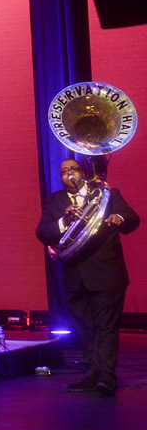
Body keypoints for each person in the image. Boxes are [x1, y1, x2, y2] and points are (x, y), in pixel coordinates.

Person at [36, 158, 139, 397]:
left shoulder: (107, 194)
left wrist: (118, 219)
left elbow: (132, 219)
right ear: (60, 177)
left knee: (106, 328)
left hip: (106, 273)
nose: (69, 174)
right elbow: (42, 232)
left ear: (83, 173)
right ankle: (92, 375)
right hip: (74, 275)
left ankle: (107, 378)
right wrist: (65, 221)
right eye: (64, 171)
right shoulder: (54, 201)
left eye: (73, 169)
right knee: (85, 329)